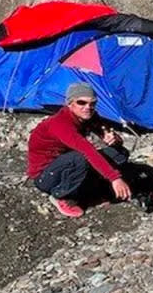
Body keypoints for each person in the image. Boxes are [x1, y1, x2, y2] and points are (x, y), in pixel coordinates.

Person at [27, 82, 132, 218]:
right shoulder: (61, 124)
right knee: (80, 158)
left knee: (119, 153)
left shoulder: (88, 116)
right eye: (81, 102)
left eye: (92, 103)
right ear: (70, 104)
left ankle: (89, 191)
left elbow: (106, 132)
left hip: (64, 163)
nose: (87, 107)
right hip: (44, 175)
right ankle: (61, 195)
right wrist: (115, 178)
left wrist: (114, 139)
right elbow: (87, 151)